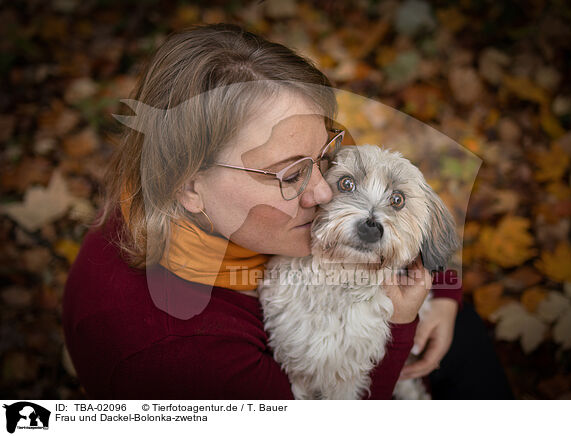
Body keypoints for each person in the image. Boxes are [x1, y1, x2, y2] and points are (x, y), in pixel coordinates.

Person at [62, 23, 513, 400]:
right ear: (188, 186)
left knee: (465, 334)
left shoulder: (220, 181)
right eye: (289, 174)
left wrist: (444, 296)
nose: (322, 191)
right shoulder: (181, 352)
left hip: (359, 322)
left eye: (324, 156)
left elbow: (403, 209)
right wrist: (399, 325)